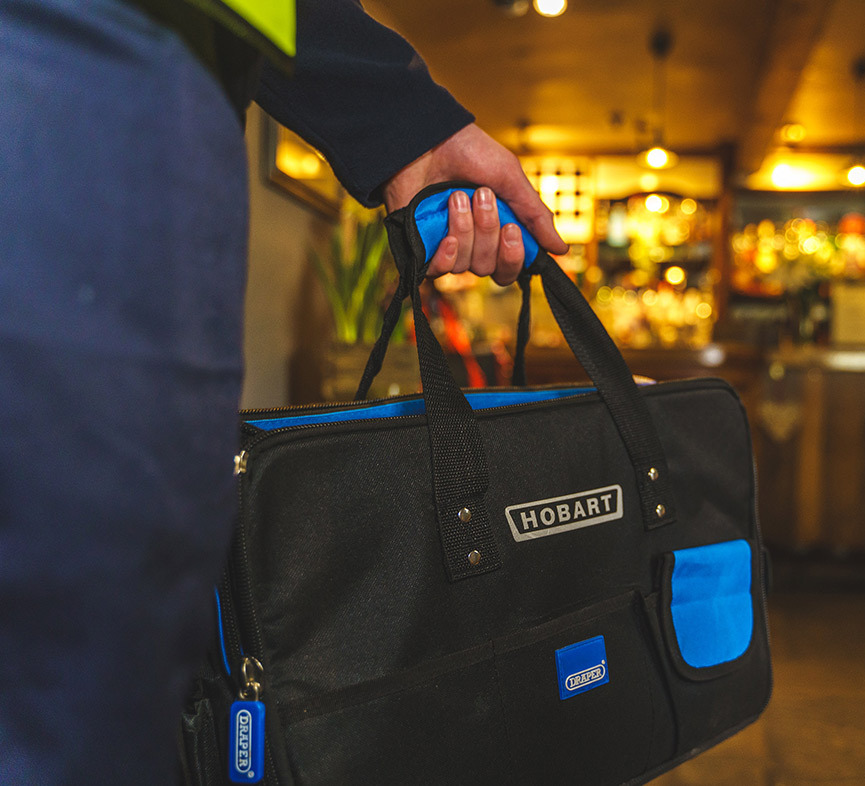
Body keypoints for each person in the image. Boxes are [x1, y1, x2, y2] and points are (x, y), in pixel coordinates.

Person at [0, 0, 566, 782]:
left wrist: (402, 120)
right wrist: (400, 112)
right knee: (75, 675)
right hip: (80, 82)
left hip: (98, 91)